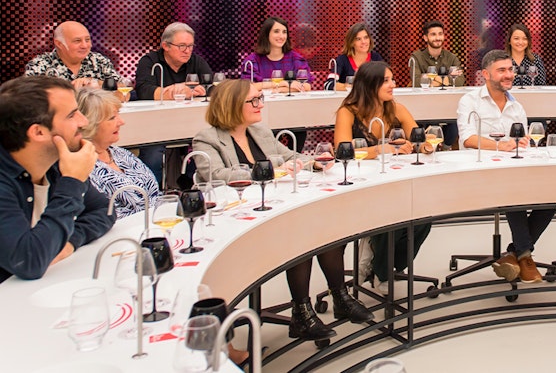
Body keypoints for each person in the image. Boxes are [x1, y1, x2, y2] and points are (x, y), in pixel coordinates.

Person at [192, 80, 372, 340]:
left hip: (272, 205)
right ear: (231, 104)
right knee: (299, 230)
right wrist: (270, 167)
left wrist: (314, 162)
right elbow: (216, 175)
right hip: (237, 216)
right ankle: (301, 312)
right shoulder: (207, 138)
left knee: (321, 222)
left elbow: (290, 156)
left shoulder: (259, 131)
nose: (260, 104)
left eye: (260, 98)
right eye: (254, 100)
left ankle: (340, 297)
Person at [0, 76, 114, 283]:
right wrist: (72, 181)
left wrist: (69, 242)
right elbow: (28, 262)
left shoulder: (54, 164)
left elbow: (105, 210)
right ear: (38, 132)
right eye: (72, 115)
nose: (84, 121)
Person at [333, 61, 432, 294]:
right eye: (386, 80)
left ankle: (381, 267)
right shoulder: (347, 112)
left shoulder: (396, 109)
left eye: (392, 79)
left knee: (423, 217)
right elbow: (342, 153)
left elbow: (421, 140)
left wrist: (419, 146)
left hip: (394, 181)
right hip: (359, 185)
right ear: (370, 84)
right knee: (393, 216)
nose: (392, 85)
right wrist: (379, 149)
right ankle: (382, 270)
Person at [456, 50, 553, 284]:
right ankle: (526, 258)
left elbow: (522, 141)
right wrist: (502, 146)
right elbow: (468, 139)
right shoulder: (469, 100)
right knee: (513, 191)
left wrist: (521, 143)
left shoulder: (517, 106)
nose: (509, 75)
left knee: (555, 197)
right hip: (479, 173)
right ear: (485, 74)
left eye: (510, 69)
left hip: (512, 171)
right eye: (502, 70)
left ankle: (514, 254)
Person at [134, 22, 213, 183]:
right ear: (165, 46)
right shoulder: (150, 62)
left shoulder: (196, 62)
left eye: (190, 46)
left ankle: (193, 191)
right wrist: (176, 90)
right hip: (155, 126)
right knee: (153, 157)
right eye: (182, 46)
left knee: (209, 148)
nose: (187, 51)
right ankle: (151, 197)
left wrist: (201, 91)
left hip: (191, 124)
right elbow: (143, 91)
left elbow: (212, 87)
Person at [76, 88, 161, 219]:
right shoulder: (83, 167)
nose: (121, 122)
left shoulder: (120, 154)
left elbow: (155, 193)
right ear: (90, 123)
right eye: (112, 118)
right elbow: (104, 216)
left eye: (118, 115)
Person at [25, 21, 118, 87]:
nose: (85, 45)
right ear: (59, 44)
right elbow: (31, 98)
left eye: (87, 40)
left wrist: (97, 83)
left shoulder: (99, 60)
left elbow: (123, 92)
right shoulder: (40, 64)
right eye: (77, 41)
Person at [241, 17, 313, 93]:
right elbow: (247, 88)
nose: (281, 36)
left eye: (284, 32)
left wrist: (278, 89)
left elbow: (306, 86)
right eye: (276, 31)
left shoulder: (296, 59)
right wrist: (283, 83)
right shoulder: (252, 61)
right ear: (266, 34)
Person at [408, 21, 465, 88]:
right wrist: (446, 79)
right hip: (423, 97)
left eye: (440, 34)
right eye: (433, 34)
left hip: (447, 97)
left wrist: (430, 78)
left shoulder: (452, 57)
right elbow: (416, 82)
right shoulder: (416, 57)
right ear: (425, 38)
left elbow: (460, 81)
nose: (437, 38)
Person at [333, 22, 384, 89]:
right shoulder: (342, 60)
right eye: (358, 39)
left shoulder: (376, 58)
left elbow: (386, 81)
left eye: (366, 37)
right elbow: (329, 84)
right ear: (351, 42)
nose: (363, 42)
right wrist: (348, 87)